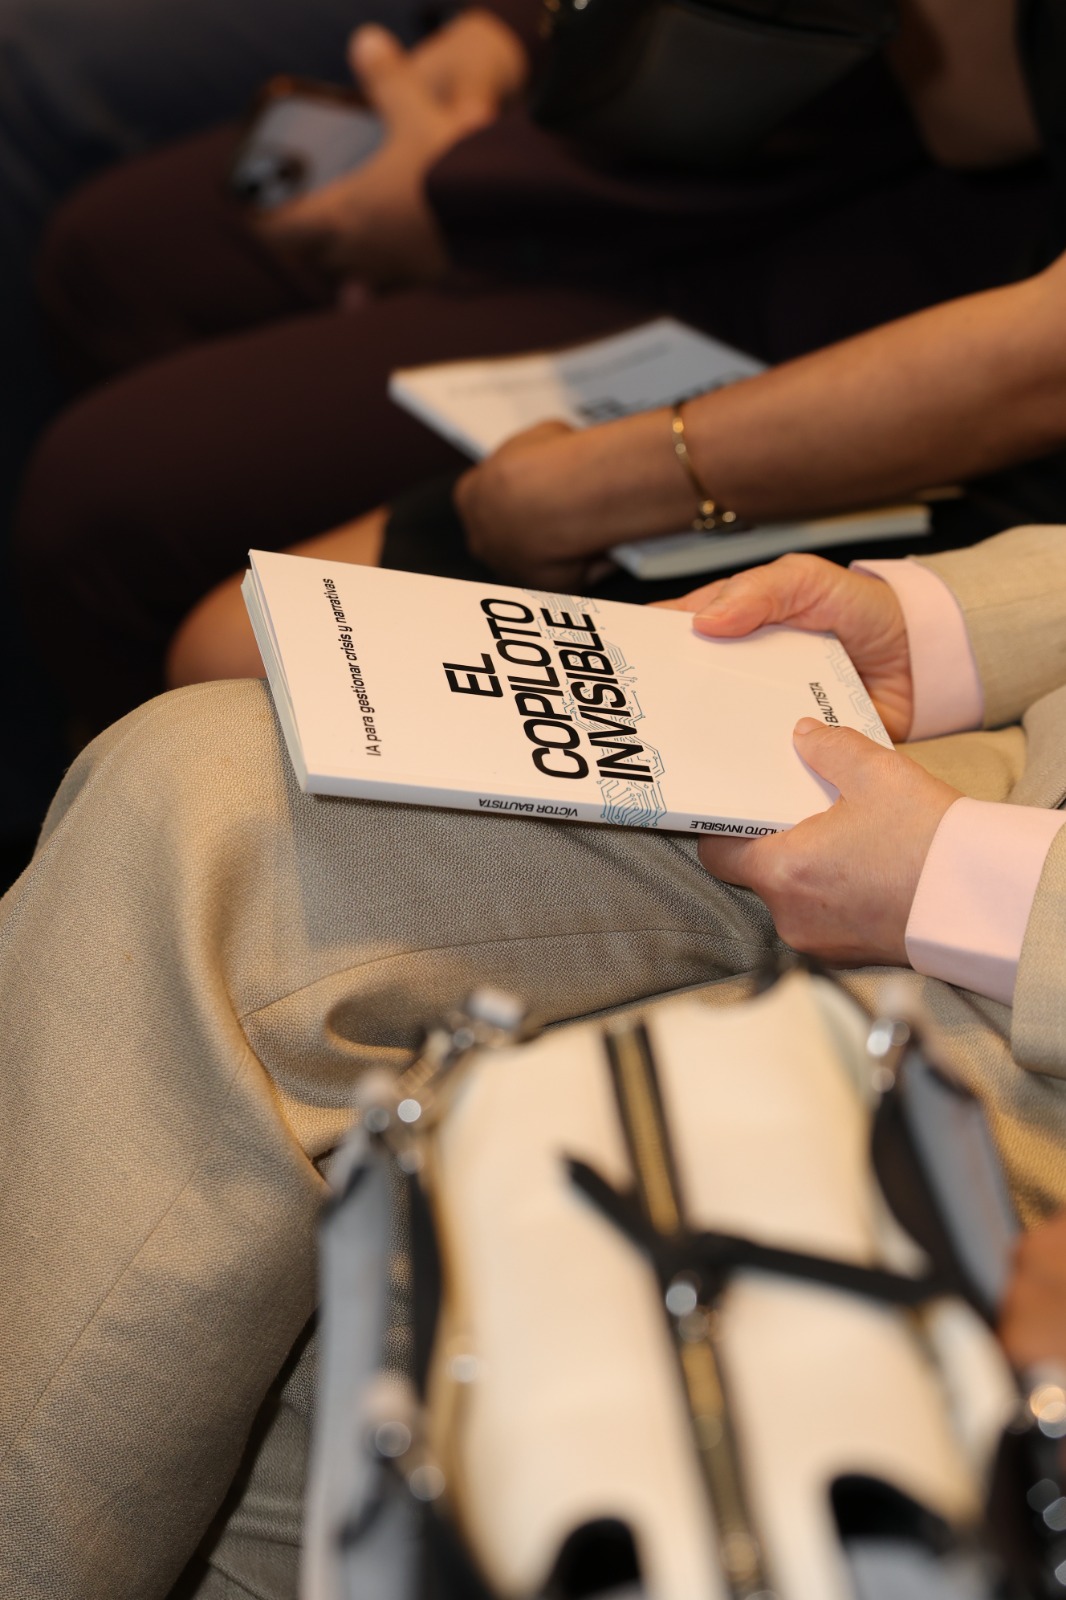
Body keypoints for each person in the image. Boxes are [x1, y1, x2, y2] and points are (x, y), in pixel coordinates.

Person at [2, 520, 1066, 1597]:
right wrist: (947, 629)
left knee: (413, 1283)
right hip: (1024, 762)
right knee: (210, 800)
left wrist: (986, 890)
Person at [11, 0, 1059, 731]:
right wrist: (518, 33)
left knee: (171, 578)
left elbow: (978, 123)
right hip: (709, 157)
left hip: (861, 282)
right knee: (117, 263)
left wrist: (614, 479)